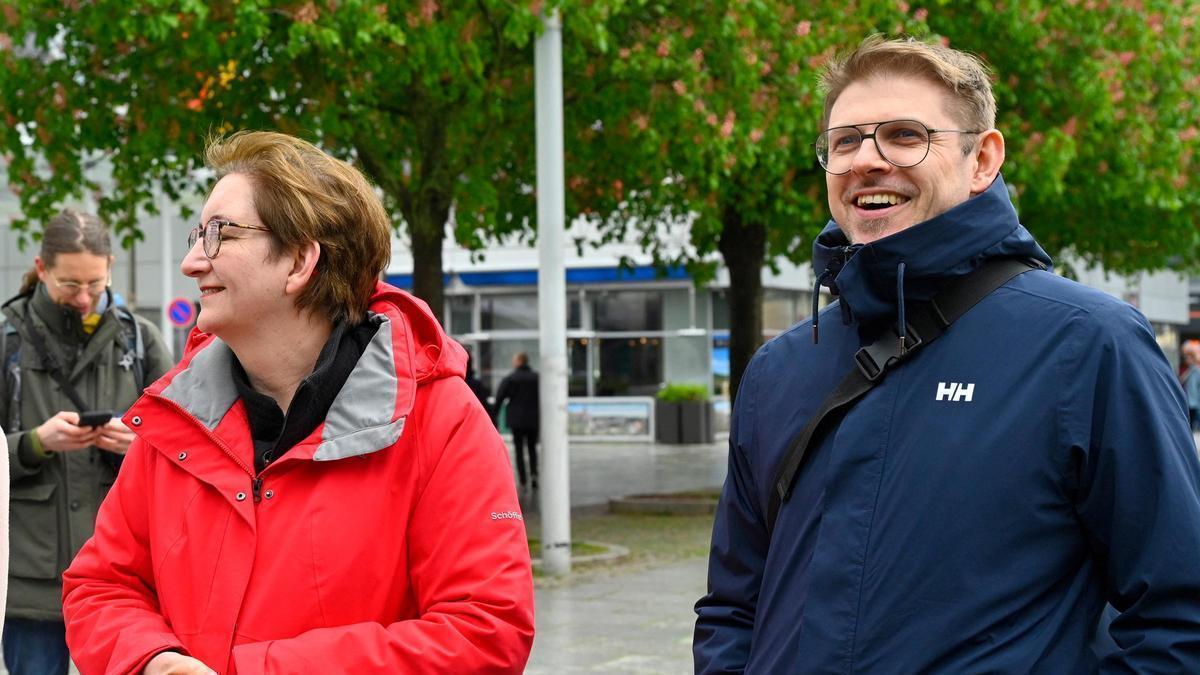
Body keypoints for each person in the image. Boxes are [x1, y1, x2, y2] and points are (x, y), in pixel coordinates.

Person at [694, 35, 1200, 672]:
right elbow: (733, 606)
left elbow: (1178, 618)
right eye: (844, 142)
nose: (866, 161)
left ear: (982, 160)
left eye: (905, 135)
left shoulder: (1089, 344)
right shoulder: (780, 369)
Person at [62, 131, 535, 674]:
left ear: (298, 262)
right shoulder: (177, 418)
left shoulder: (441, 421)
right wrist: (153, 660)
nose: (193, 261)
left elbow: (484, 634)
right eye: (198, 234)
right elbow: (101, 584)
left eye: (220, 234)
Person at [0, 210, 172, 675]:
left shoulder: (141, 340)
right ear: (41, 269)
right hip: (32, 583)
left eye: (95, 284)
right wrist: (35, 442)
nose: (83, 298)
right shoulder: (6, 340)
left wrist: (138, 445)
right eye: (68, 284)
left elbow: (185, 451)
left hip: (124, 579)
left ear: (111, 265)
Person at [495, 352, 539, 491]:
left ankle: (523, 479)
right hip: (533, 419)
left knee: (519, 450)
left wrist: (493, 415)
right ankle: (534, 475)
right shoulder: (537, 378)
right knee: (532, 448)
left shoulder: (511, 379)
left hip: (517, 420)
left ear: (519, 361)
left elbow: (500, 397)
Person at [1182, 341, 1200, 430]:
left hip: (1194, 401)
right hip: (1189, 400)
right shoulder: (1189, 370)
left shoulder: (1196, 370)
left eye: (1188, 357)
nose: (1186, 360)